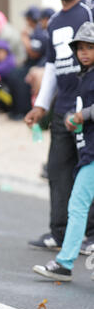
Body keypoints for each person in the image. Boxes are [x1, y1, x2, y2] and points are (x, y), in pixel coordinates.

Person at [25, 0, 94, 253]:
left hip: (88, 108)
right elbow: (51, 67)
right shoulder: (52, 22)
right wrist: (41, 106)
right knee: (57, 170)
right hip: (62, 106)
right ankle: (60, 233)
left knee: (87, 169)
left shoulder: (88, 13)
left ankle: (89, 236)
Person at [33, 21, 94, 281]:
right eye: (79, 48)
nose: (83, 52)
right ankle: (65, 261)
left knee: (78, 203)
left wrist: (82, 115)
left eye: (90, 47)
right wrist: (73, 117)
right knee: (78, 204)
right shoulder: (84, 76)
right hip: (88, 151)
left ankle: (65, 262)